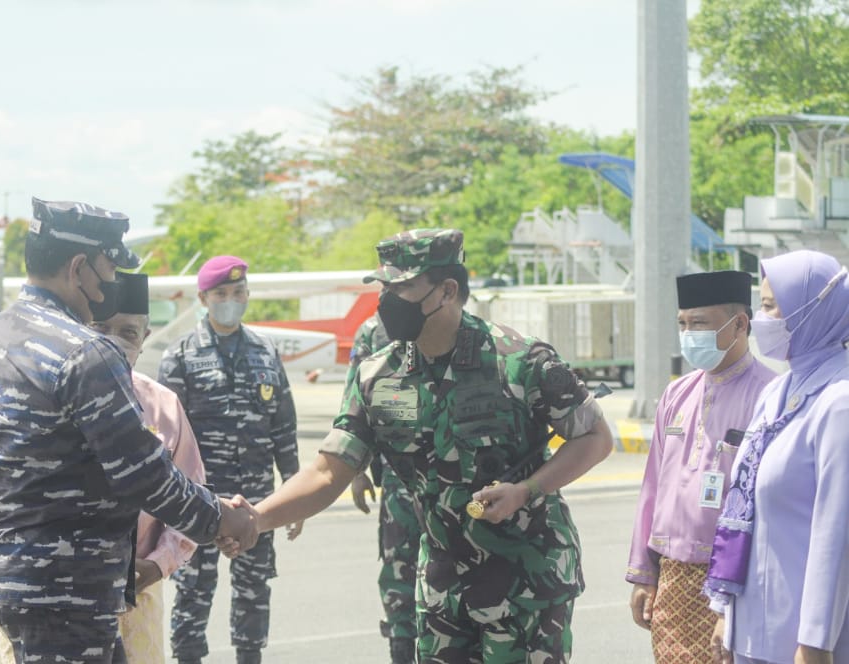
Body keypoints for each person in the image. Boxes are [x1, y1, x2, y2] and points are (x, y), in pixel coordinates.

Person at [242, 228, 614, 663]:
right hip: (442, 583)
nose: (388, 300)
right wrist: (256, 518)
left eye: (402, 287)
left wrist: (526, 490)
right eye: (385, 287)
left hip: (526, 580)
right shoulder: (378, 376)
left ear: (447, 290)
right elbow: (329, 470)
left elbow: (594, 436)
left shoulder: (520, 360)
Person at [0, 198, 256, 664]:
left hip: (8, 579)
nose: (108, 288)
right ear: (79, 267)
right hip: (69, 590)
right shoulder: (84, 352)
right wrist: (224, 519)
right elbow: (144, 475)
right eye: (108, 270)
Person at [0, 271, 208, 664]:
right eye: (100, 328)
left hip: (138, 597)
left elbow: (189, 494)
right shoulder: (43, 396)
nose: (112, 342)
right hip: (50, 594)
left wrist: (157, 565)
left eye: (127, 332)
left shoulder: (163, 406)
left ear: (144, 340)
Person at [705, 250, 849, 664]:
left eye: (770, 307)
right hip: (753, 630)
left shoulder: (838, 403)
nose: (761, 319)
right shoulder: (775, 393)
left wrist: (815, 643)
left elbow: (835, 535)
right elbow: (744, 507)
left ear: (810, 311)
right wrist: (726, 612)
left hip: (803, 643)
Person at [158, 255, 303, 664]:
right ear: (203, 298)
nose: (230, 300)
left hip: (257, 502)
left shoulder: (266, 353)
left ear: (247, 296)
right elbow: (167, 441)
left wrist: (294, 497)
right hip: (199, 502)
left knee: (255, 592)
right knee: (192, 594)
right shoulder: (181, 356)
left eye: (238, 293)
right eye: (221, 293)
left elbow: (283, 430)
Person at [625, 271, 775, 663]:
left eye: (700, 323)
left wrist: (731, 598)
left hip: (734, 582)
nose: (689, 333)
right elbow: (652, 487)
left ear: (739, 324)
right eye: (682, 324)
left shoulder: (769, 396)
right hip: (673, 579)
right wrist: (644, 573)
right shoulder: (677, 393)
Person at [348, 314, 422, 664]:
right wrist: (357, 470)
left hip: (447, 472)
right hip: (396, 473)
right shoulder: (372, 331)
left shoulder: (445, 322)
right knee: (399, 567)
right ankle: (401, 647)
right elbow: (353, 400)